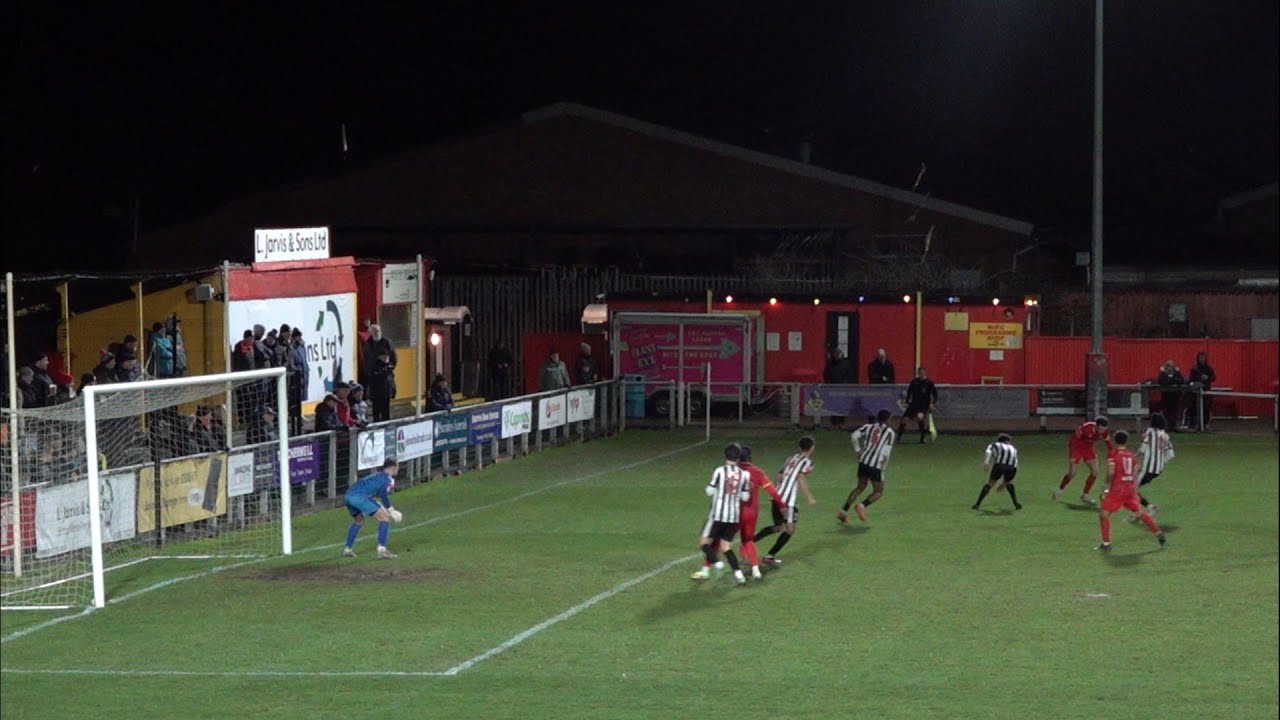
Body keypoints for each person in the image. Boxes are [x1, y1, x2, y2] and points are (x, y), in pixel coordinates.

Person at [1096, 431, 1166, 552]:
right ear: (1126, 442)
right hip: (1130, 488)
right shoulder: (1131, 455)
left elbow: (1111, 472)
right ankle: (1158, 533)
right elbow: (1135, 473)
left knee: (1104, 515)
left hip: (1118, 489)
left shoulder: (1113, 454)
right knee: (1139, 512)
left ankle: (1106, 544)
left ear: (1115, 441)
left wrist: (1105, 485)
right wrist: (1133, 487)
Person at [690, 443, 749, 585]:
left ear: (725, 456)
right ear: (738, 458)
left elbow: (709, 491)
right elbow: (745, 497)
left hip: (717, 515)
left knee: (704, 543)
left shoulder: (719, 471)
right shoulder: (744, 474)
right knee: (726, 546)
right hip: (733, 516)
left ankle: (717, 563)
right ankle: (740, 576)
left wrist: (717, 491)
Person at [753, 436, 817, 565]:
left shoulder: (791, 459)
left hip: (776, 497)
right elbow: (801, 478)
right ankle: (769, 556)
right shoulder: (807, 462)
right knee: (790, 528)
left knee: (779, 527)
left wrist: (778, 489)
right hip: (788, 502)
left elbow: (779, 475)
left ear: (800, 447)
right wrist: (809, 497)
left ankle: (750, 541)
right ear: (812, 448)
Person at [734, 445, 786, 580]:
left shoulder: (732, 471)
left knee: (724, 538)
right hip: (752, 512)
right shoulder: (758, 472)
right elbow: (772, 491)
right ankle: (755, 569)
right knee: (749, 539)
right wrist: (782, 505)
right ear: (750, 457)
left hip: (734, 511)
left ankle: (708, 565)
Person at [838, 409, 896, 523]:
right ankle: (862, 506)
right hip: (875, 465)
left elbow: (854, 436)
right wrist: (882, 469)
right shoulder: (890, 433)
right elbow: (886, 454)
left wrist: (857, 450)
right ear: (888, 419)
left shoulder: (869, 427)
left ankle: (843, 512)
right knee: (878, 492)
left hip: (863, 462)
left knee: (860, 487)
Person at [342, 458, 402, 559]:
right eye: (397, 467)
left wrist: (381, 507)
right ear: (393, 467)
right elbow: (384, 495)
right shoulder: (387, 479)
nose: (398, 469)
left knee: (359, 519)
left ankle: (348, 549)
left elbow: (370, 492)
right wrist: (391, 510)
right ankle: (382, 550)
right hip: (359, 496)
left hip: (348, 495)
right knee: (385, 518)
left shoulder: (376, 475)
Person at [1053, 416, 1111, 505]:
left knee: (1095, 472)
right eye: (1101, 429)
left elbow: (1108, 444)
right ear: (1096, 426)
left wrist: (1113, 454)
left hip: (1089, 448)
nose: (1102, 431)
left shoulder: (1105, 432)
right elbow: (1074, 439)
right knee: (1072, 473)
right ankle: (1059, 490)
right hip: (1077, 447)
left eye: (1104, 429)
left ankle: (1085, 495)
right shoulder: (1086, 428)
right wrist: (1073, 453)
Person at [1131, 413, 1174, 521]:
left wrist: (1134, 457)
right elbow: (1170, 454)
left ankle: (1145, 510)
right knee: (1132, 489)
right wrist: (1160, 463)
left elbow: (1143, 448)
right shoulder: (1165, 435)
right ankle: (1140, 511)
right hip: (1158, 470)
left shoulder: (1150, 431)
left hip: (1147, 468)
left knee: (1131, 489)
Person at [972, 433, 1021, 511]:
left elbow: (988, 452)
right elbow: (1016, 461)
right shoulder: (1013, 448)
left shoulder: (995, 444)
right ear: (1007, 441)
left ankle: (977, 504)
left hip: (1000, 465)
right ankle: (1016, 503)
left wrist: (986, 463)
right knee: (1009, 482)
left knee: (991, 483)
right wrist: (1004, 484)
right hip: (1012, 467)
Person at [897, 367, 938, 443]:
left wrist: (932, 403)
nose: (921, 374)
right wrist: (907, 401)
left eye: (922, 373)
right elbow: (909, 392)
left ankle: (922, 438)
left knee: (920, 417)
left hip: (923, 405)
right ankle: (898, 437)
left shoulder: (929, 383)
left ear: (925, 373)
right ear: (918, 373)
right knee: (904, 420)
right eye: (920, 373)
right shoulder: (914, 381)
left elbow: (935, 394)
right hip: (913, 404)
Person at [1188, 351, 1216, 430]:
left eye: (1203, 357)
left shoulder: (1209, 368)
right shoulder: (1194, 368)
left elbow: (1214, 378)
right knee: (1193, 407)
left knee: (1206, 408)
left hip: (1206, 391)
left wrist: (1207, 378)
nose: (1202, 359)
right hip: (1195, 392)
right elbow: (1190, 379)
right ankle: (1193, 423)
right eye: (1200, 357)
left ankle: (1206, 424)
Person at [367, 347, 397, 422]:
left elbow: (391, 381)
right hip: (378, 394)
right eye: (385, 356)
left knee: (386, 413)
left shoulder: (388, 369)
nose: (387, 358)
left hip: (386, 394)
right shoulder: (376, 368)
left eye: (388, 356)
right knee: (377, 413)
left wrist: (393, 390)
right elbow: (375, 380)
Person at [1156, 359, 1187, 430]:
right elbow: (1162, 381)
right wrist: (1171, 380)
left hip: (1175, 396)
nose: (1169, 368)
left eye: (1171, 366)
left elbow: (1181, 380)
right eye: (1168, 366)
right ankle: (1166, 426)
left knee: (1175, 411)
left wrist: (1172, 379)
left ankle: (1174, 425)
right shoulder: (1163, 374)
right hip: (1166, 396)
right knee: (1166, 411)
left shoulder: (1177, 373)